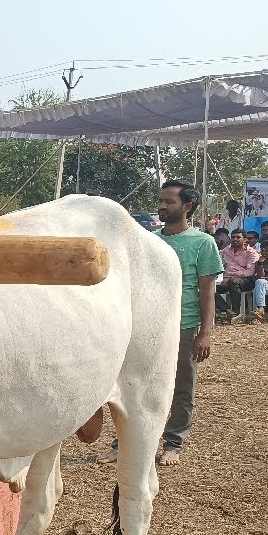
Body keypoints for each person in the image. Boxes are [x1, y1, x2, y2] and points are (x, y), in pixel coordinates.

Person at [101, 181, 220, 468]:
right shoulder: (148, 240)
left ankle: (173, 442)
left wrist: (204, 333)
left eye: (169, 201)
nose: (162, 206)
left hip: (184, 326)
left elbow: (207, 292)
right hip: (142, 325)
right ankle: (124, 443)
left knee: (181, 387)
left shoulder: (203, 243)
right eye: (161, 201)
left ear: (187, 207)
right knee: (131, 384)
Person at [217, 231, 257, 323]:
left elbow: (250, 272)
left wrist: (230, 276)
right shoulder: (227, 250)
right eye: (233, 237)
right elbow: (218, 256)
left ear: (245, 239)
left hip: (247, 281)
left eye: (238, 237)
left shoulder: (251, 253)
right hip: (229, 280)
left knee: (233, 282)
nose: (235, 239)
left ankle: (236, 312)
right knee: (210, 289)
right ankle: (229, 311)